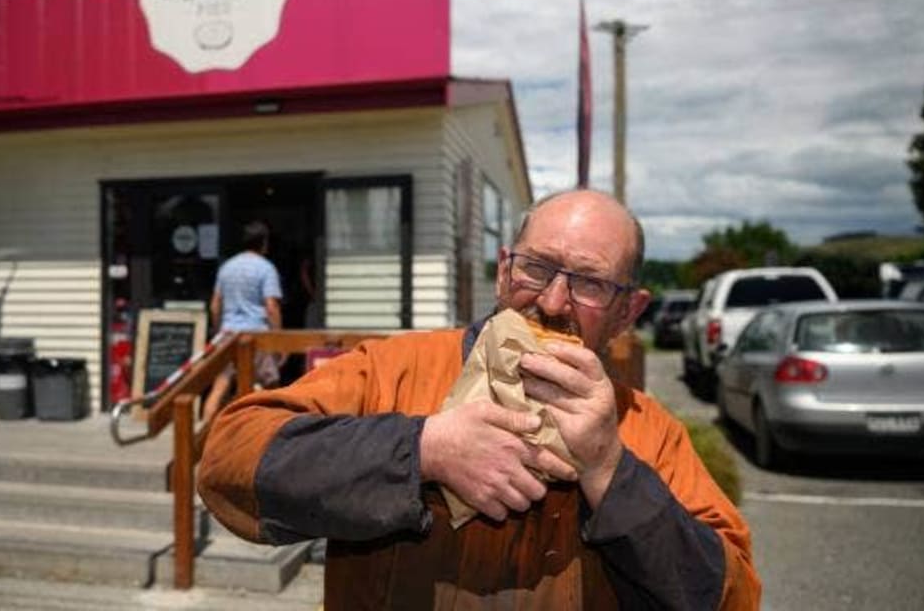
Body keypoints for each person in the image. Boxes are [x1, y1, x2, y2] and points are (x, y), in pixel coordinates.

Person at [198, 190, 761, 609]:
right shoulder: (395, 368)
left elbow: (730, 597)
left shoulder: (649, 429)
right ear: (504, 272)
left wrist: (609, 471)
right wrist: (421, 449)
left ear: (627, 312)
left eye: (590, 283)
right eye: (537, 268)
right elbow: (229, 458)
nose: (555, 299)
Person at [202, 220, 283, 423]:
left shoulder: (226, 267)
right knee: (271, 387)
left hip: (228, 335)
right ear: (264, 243)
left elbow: (215, 305)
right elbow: (271, 307)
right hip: (257, 336)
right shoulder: (266, 268)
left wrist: (218, 330)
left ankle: (202, 443)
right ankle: (269, 435)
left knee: (220, 385)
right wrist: (279, 339)